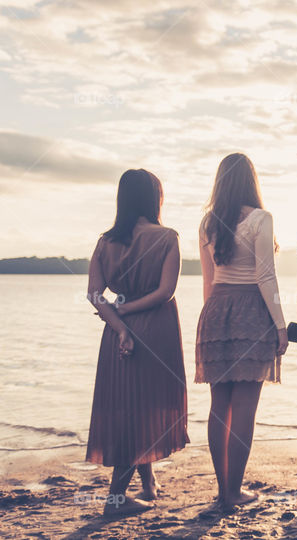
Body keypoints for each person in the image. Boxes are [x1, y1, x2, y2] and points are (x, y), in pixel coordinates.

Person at [86, 169, 189, 517]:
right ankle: (115, 498)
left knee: (129, 404)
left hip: (119, 330)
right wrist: (127, 316)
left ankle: (148, 484)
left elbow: (95, 295)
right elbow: (165, 292)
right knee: (142, 405)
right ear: (153, 199)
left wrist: (120, 325)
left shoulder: (105, 242)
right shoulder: (167, 237)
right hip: (156, 328)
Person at [196, 153, 288, 509]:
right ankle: (233, 492)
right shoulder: (261, 219)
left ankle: (223, 491)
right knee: (245, 408)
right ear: (252, 181)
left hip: (216, 310)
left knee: (219, 406)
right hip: (251, 310)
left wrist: (210, 320)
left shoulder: (208, 222)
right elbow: (266, 276)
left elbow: (208, 280)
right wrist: (280, 325)